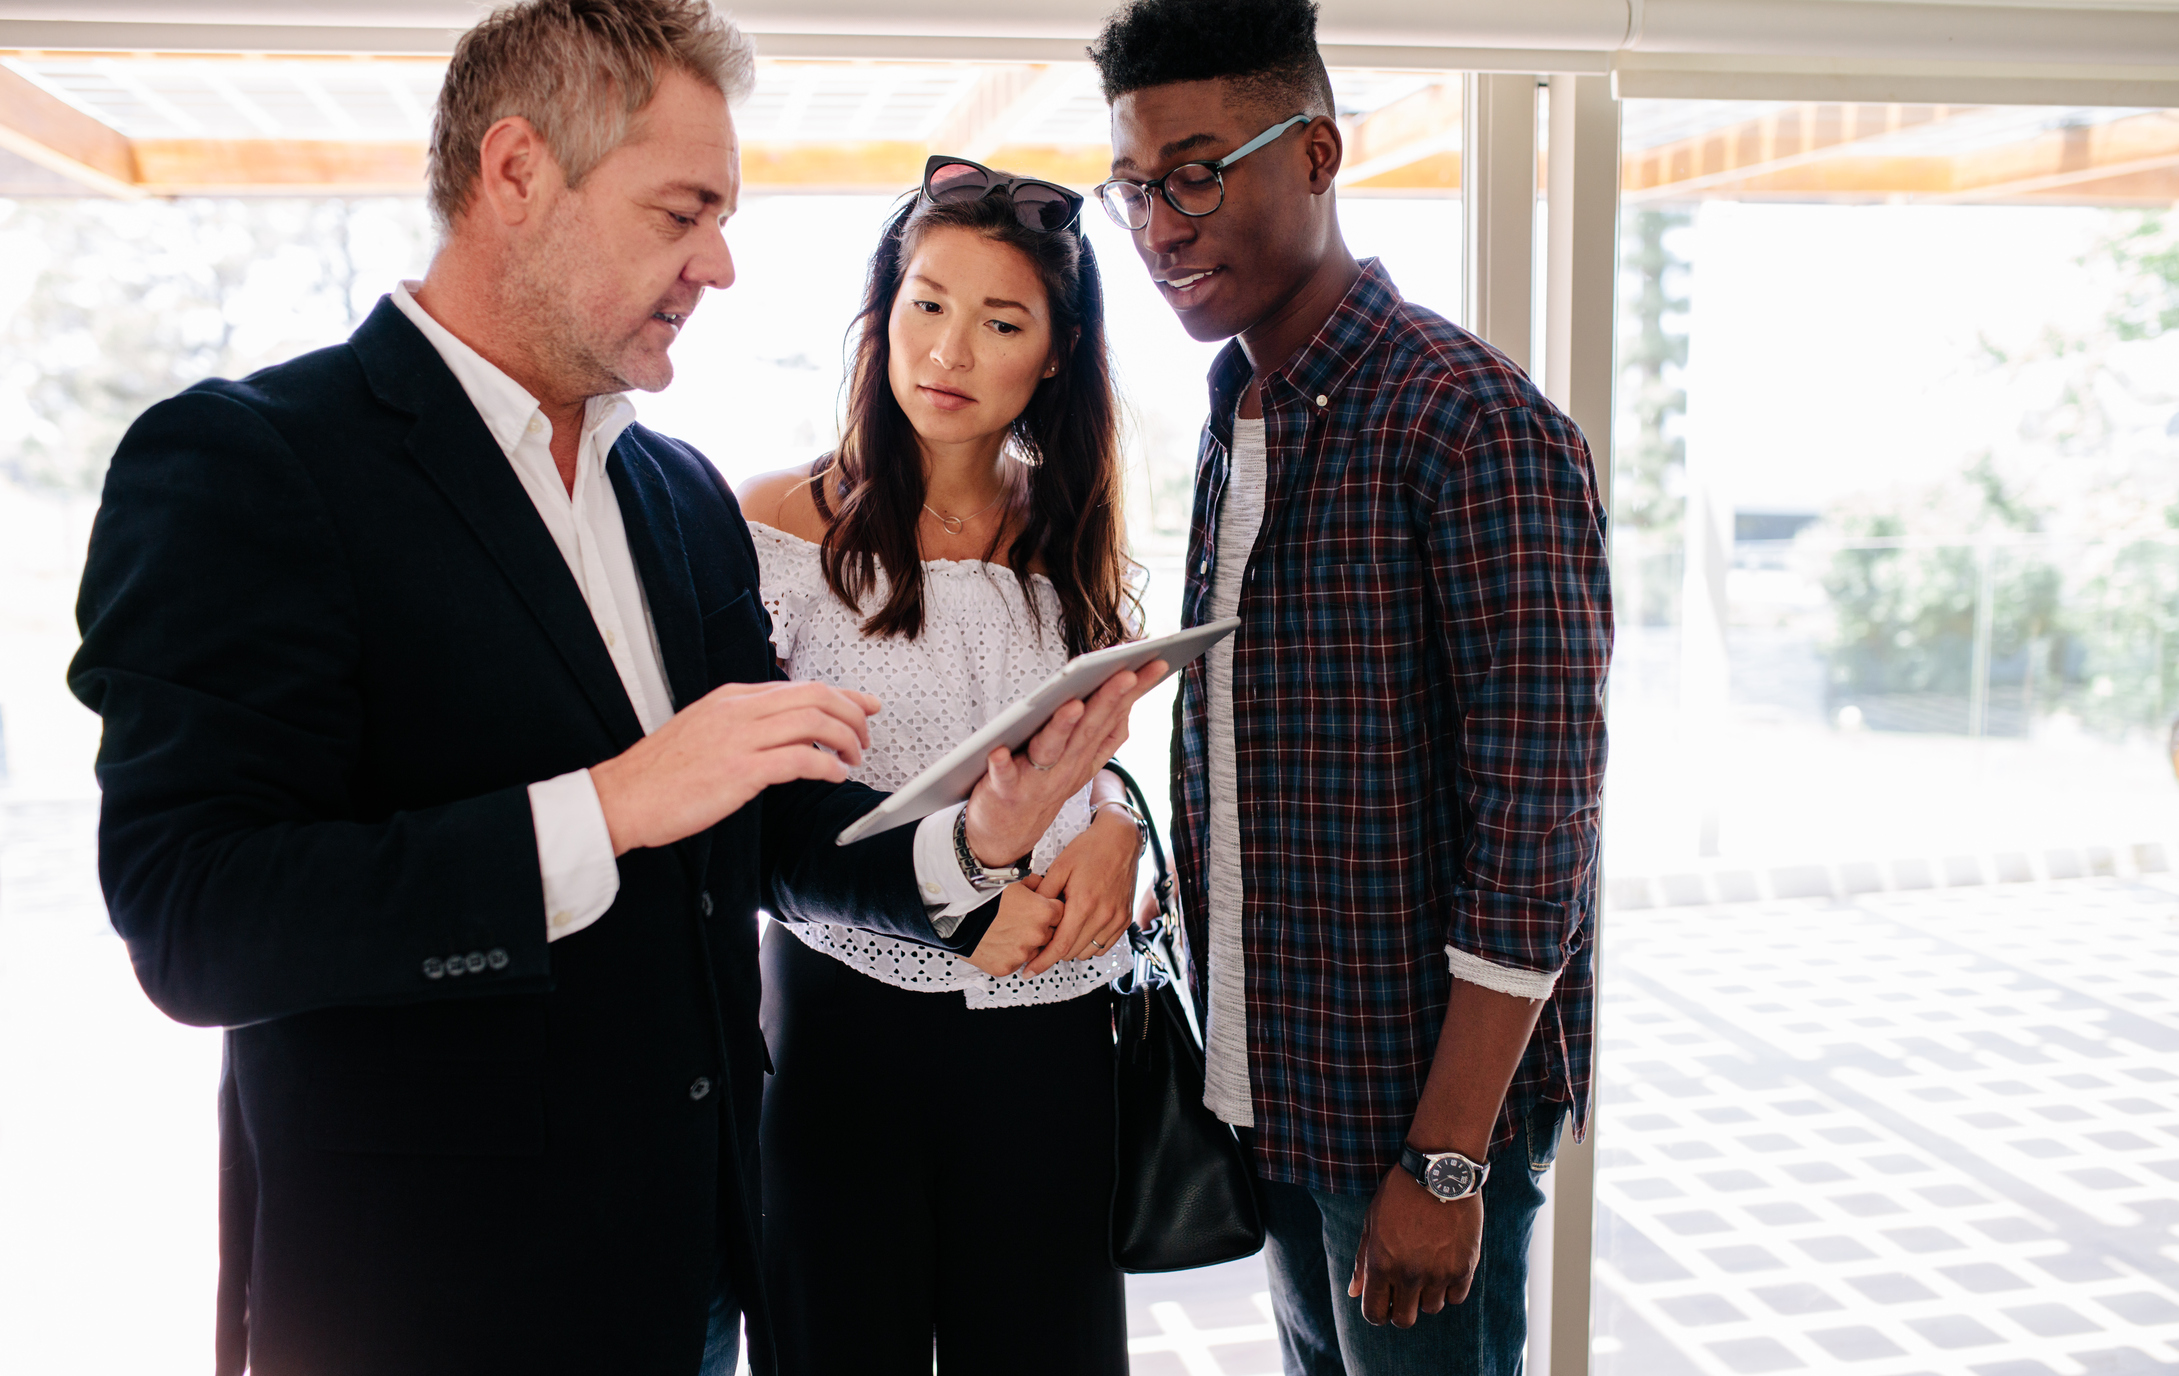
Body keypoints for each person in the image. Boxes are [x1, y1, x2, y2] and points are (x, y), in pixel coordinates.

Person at [66, 4, 1158, 1374]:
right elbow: (196, 922)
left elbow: (764, 829)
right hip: (421, 1306)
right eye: (682, 212)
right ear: (516, 173)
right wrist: (611, 806)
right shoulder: (251, 465)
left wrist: (977, 842)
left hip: (697, 1286)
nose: (723, 263)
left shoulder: (675, 494)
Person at [1087, 2, 1614, 1373]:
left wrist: (1442, 1164)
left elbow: (1535, 827)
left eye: (1195, 172)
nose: (1158, 225)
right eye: (1132, 187)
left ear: (1314, 153)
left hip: (1411, 1125)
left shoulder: (1468, 421)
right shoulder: (1237, 415)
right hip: (1274, 1096)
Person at [735, 163, 1145, 1375]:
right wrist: (966, 881)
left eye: (1001, 321)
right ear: (881, 315)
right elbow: (754, 817)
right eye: (926, 303)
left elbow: (1092, 753)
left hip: (1052, 1038)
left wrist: (1120, 826)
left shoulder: (1073, 536)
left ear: (1056, 355)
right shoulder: (773, 523)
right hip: (844, 1032)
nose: (948, 349)